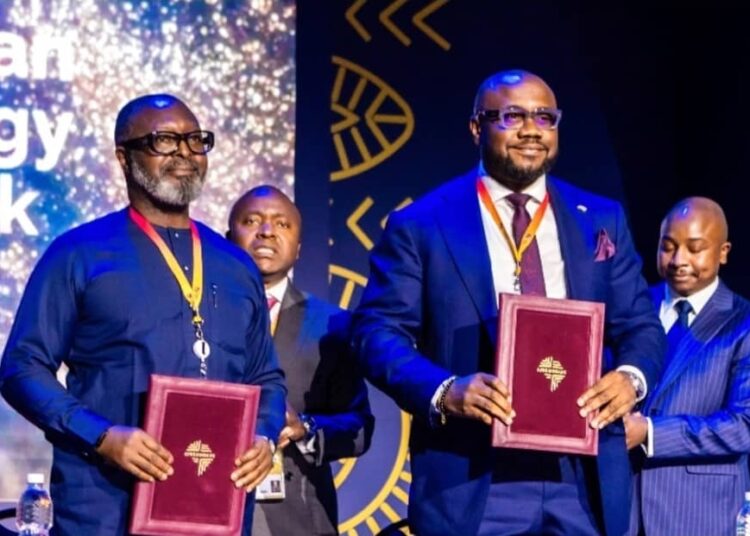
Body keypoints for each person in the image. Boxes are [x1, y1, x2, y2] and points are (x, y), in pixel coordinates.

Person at [351, 69, 666, 535]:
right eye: (513, 116)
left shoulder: (600, 218)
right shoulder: (421, 224)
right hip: (475, 475)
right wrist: (444, 391)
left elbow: (641, 326)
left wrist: (630, 378)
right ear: (477, 127)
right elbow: (376, 332)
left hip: (582, 475)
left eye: (545, 117)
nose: (531, 130)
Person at [0, 94, 286, 535]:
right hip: (105, 510)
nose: (185, 154)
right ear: (123, 157)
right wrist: (101, 436)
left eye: (195, 141)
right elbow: (21, 368)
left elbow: (266, 377)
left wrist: (264, 437)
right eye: (164, 142)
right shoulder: (79, 254)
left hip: (215, 513)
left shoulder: (235, 265)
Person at [227, 185, 374, 535]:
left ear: (298, 249)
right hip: (208, 504)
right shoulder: (195, 316)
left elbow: (360, 428)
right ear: (227, 237)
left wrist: (304, 428)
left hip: (296, 517)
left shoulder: (333, 325)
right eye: (251, 221)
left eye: (282, 224)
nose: (266, 231)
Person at [625, 197, 750, 536]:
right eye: (668, 247)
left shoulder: (743, 323)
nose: (679, 260)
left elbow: (743, 425)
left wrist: (650, 433)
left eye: (695, 249)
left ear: (723, 252)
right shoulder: (631, 309)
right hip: (622, 511)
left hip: (699, 514)